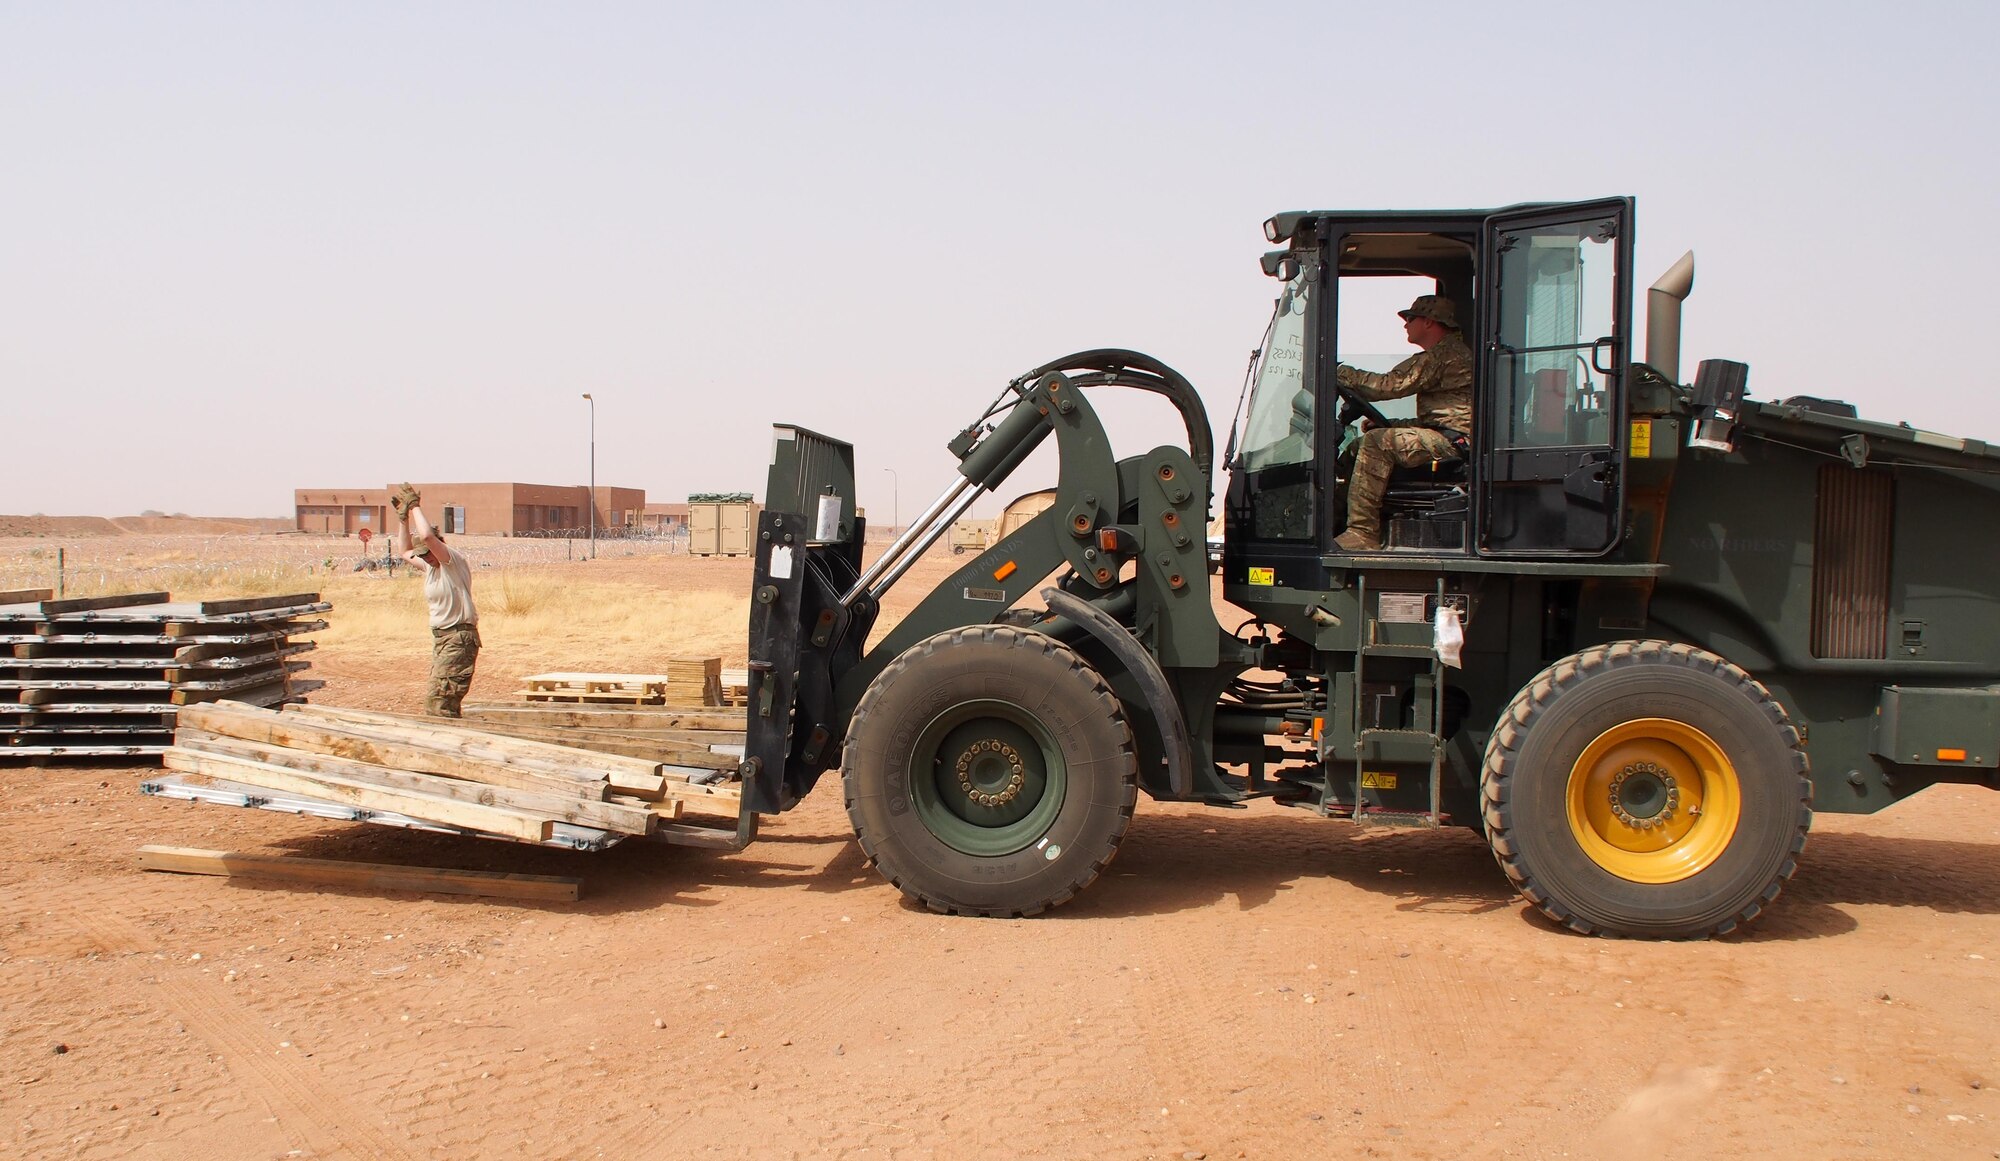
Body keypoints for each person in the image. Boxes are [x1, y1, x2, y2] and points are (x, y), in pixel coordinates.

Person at [1331, 295, 1474, 552]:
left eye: (1410, 318)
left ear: (1429, 322)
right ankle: (1334, 523)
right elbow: (1440, 418)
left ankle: (1363, 533)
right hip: (1450, 436)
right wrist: (1395, 424)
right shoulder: (1446, 353)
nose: (1405, 324)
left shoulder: (1444, 354)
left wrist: (1338, 373)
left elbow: (1390, 385)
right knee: (1356, 447)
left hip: (1456, 442)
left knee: (1378, 443)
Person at [390, 483, 480, 717]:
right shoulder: (430, 567)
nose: (426, 558)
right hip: (442, 639)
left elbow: (427, 537)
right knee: (442, 701)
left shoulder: (451, 562)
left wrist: (415, 507)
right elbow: (404, 551)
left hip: (458, 638)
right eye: (423, 555)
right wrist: (403, 519)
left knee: (439, 703)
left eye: (428, 553)